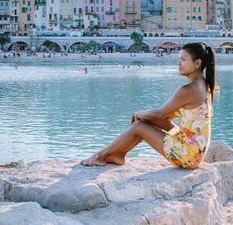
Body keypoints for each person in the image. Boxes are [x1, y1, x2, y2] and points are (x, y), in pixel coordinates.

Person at [80, 43, 215, 170]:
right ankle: (118, 155)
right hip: (194, 151)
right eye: (179, 59)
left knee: (139, 126)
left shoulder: (188, 90)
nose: (178, 63)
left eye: (183, 59)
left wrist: (138, 114)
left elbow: (159, 114)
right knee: (144, 121)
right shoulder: (203, 84)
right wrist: (146, 117)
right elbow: (167, 115)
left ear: (197, 63)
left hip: (188, 155)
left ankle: (100, 156)